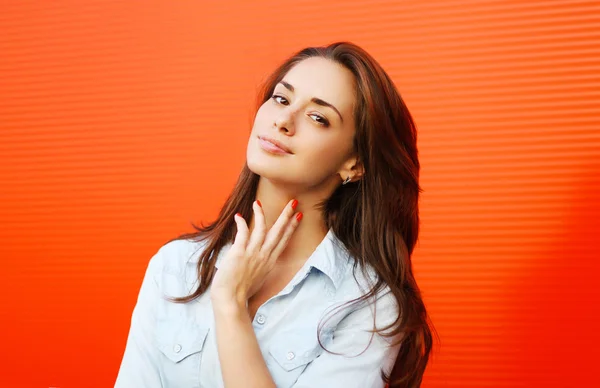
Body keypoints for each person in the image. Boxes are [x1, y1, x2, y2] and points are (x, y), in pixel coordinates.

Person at [115, 41, 434, 388]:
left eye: (318, 118)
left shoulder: (369, 305)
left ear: (354, 163)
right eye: (281, 99)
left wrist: (231, 306)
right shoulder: (175, 267)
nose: (283, 120)